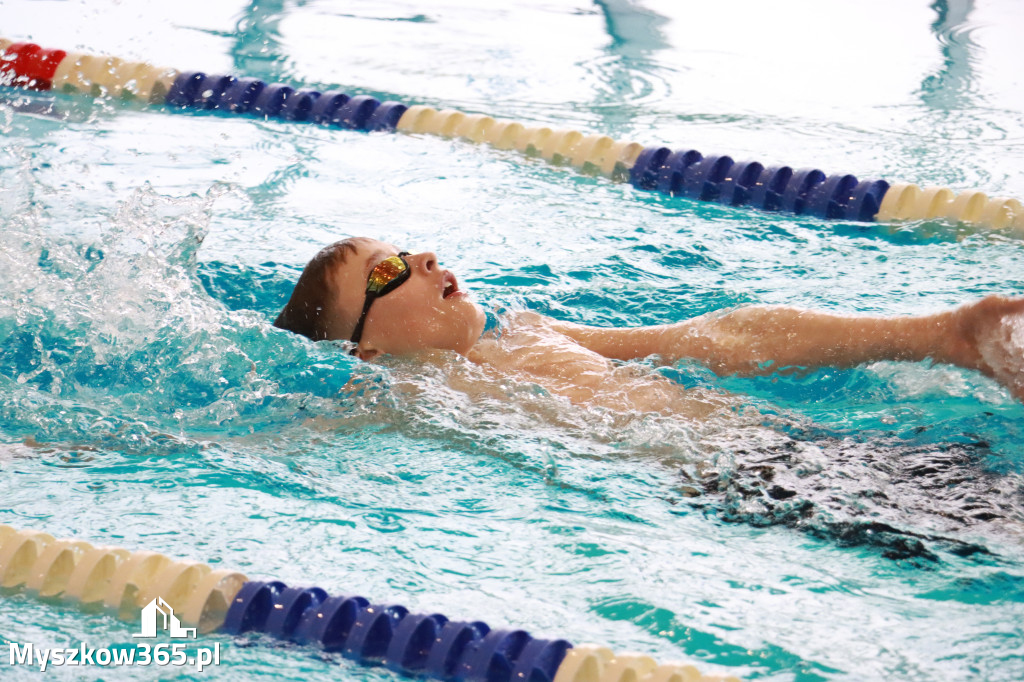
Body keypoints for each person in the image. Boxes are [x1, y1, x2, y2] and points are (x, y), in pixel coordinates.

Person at [273, 237, 1024, 416]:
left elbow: (708, 340)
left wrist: (934, 334)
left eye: (410, 250)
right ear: (366, 348)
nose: (424, 259)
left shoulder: (529, 331)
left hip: (791, 450)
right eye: (387, 272)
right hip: (735, 490)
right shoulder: (408, 397)